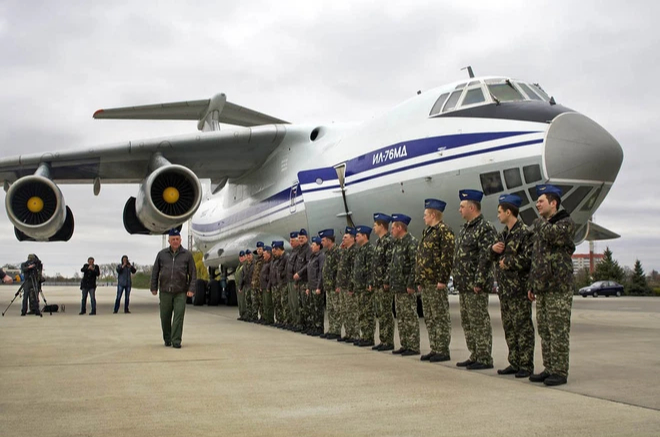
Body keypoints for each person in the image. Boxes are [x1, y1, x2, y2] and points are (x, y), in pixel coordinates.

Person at [528, 184, 576, 386]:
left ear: (553, 203)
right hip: (543, 288)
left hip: (558, 287)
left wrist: (539, 224)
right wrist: (532, 284)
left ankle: (560, 370)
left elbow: (553, 235)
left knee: (558, 331)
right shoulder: (543, 225)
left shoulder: (565, 223)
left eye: (541, 201)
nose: (537, 204)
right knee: (545, 330)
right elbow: (537, 258)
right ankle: (549, 367)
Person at [490, 194, 535, 378]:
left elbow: (528, 259)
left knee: (522, 328)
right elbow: (493, 257)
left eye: (500, 212)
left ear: (509, 212)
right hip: (505, 290)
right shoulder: (503, 234)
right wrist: (492, 250)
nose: (498, 215)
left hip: (519, 289)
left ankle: (526, 365)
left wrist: (508, 262)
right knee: (509, 327)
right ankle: (514, 362)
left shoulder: (525, 233)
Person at [453, 189, 497, 370]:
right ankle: (475, 354)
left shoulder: (485, 228)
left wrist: (479, 282)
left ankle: (484, 357)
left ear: (472, 207)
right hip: (464, 285)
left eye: (462, 206)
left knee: (479, 321)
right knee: (468, 321)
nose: (459, 210)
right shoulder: (464, 229)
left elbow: (485, 258)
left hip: (475, 285)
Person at [416, 199, 455, 363]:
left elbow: (447, 257)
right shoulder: (428, 232)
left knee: (440, 317)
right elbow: (422, 258)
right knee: (430, 317)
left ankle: (443, 349)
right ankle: (435, 347)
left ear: (433, 214)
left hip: (436, 282)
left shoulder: (444, 231)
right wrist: (419, 279)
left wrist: (443, 279)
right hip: (426, 283)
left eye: (425, 215)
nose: (423, 218)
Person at [150, 229, 196, 348]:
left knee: (178, 316)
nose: (175, 241)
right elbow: (155, 272)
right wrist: (153, 287)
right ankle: (167, 338)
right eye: (173, 239)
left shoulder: (187, 255)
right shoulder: (161, 255)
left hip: (180, 291)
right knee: (165, 316)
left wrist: (191, 289)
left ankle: (176, 341)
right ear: (169, 241)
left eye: (177, 239)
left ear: (180, 240)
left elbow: (193, 273)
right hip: (165, 291)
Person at [389, 214, 420, 356]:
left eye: (393, 228)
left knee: (409, 316)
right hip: (398, 287)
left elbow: (415, 265)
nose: (391, 231)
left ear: (400, 228)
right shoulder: (397, 243)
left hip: (406, 287)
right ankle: (405, 343)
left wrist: (411, 283)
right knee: (401, 317)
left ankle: (413, 345)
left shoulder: (411, 242)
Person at [371, 213, 395, 351]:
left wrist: (386, 281)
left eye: (375, 225)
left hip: (384, 285)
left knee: (386, 313)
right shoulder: (378, 242)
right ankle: (383, 339)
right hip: (378, 284)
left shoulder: (388, 242)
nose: (373, 227)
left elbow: (389, 264)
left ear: (381, 226)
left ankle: (388, 341)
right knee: (380, 312)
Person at [353, 225, 375, 347]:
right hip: (359, 287)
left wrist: (369, 283)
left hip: (366, 287)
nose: (356, 238)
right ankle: (364, 335)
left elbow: (371, 268)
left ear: (365, 236)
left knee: (368, 312)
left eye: (358, 235)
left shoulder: (369, 249)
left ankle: (369, 336)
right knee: (361, 312)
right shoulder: (360, 250)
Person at [336, 227, 358, 342]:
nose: (343, 239)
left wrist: (351, 286)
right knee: (344, 311)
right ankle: (349, 333)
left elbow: (353, 271)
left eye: (345, 237)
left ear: (352, 239)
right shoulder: (345, 251)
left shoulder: (354, 251)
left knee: (352, 311)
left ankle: (354, 334)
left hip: (349, 287)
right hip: (343, 286)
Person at [318, 229, 340, 339]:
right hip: (328, 286)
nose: (321, 242)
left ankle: (336, 330)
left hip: (334, 286)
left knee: (336, 309)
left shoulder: (337, 251)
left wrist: (337, 284)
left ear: (329, 240)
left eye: (323, 240)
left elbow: (339, 270)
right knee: (330, 309)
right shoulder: (327, 253)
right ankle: (332, 329)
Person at [306, 236, 325, 336]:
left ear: (318, 246)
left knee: (318, 309)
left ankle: (319, 328)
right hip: (311, 286)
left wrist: (319, 287)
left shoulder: (320, 256)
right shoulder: (312, 257)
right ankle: (314, 326)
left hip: (317, 287)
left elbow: (320, 272)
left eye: (313, 245)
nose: (311, 247)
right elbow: (310, 274)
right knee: (312, 308)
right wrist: (309, 287)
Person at [294, 229, 312, 332]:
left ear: (307, 238)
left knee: (306, 305)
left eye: (302, 238)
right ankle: (302, 325)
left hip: (305, 281)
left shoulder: (308, 249)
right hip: (300, 282)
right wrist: (296, 282)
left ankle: (308, 326)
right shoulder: (299, 250)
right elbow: (298, 266)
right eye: (299, 238)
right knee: (300, 304)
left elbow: (308, 265)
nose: (300, 239)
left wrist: (299, 274)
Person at [285, 232, 300, 330]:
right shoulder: (292, 252)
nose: (291, 242)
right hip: (290, 280)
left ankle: (298, 323)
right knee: (291, 303)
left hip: (295, 281)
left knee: (296, 303)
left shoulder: (299, 252)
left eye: (293, 240)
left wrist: (296, 282)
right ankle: (294, 322)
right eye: (290, 240)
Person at [251, 242, 265, 323]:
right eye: (258, 249)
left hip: (260, 285)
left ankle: (263, 317)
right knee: (256, 301)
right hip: (255, 284)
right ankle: (256, 316)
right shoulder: (257, 260)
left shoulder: (264, 260)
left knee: (261, 302)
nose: (259, 251)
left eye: (260, 249)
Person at [260, 246, 274, 325]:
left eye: (264, 254)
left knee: (268, 304)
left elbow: (270, 276)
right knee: (265, 304)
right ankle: (266, 318)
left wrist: (268, 286)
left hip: (267, 287)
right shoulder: (265, 263)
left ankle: (270, 319)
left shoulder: (270, 263)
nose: (263, 256)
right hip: (264, 286)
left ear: (269, 254)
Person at [235, 251, 247, 320]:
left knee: (243, 301)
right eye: (240, 257)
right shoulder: (239, 266)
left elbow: (244, 276)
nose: (241, 258)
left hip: (242, 286)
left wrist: (241, 285)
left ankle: (245, 314)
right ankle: (241, 314)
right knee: (239, 301)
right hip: (238, 286)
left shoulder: (245, 265)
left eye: (243, 256)